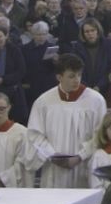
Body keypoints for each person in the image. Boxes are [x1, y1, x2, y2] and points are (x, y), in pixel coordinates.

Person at [25, 54, 106, 188]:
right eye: (71, 76)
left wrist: (80, 156)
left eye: (79, 75)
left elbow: (99, 135)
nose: (77, 80)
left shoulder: (95, 101)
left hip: (83, 166)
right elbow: (35, 135)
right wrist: (53, 155)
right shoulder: (44, 102)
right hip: (54, 168)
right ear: (59, 77)